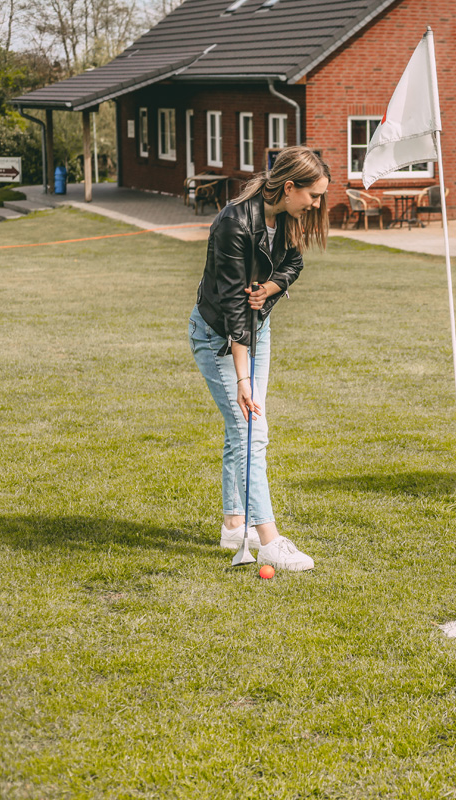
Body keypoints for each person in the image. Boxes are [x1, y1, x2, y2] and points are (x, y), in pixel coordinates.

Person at [188, 145, 330, 570]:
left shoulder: (285, 217)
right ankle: (268, 540)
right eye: (313, 195)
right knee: (253, 430)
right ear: (289, 187)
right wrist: (243, 378)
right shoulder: (234, 223)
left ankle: (235, 525)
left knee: (242, 430)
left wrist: (270, 288)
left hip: (257, 330)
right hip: (219, 336)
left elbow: (293, 264)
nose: (316, 204)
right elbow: (233, 306)